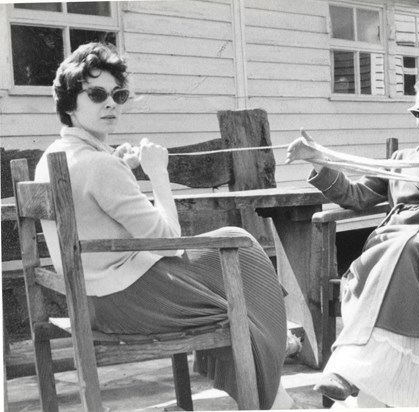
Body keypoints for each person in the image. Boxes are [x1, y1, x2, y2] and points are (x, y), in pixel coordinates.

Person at [35, 42, 294, 410]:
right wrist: (158, 174)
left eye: (118, 94)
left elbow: (96, 203)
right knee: (242, 253)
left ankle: (268, 384)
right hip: (126, 303)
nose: (110, 103)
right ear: (69, 102)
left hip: (91, 301)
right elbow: (171, 242)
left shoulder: (53, 157)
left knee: (236, 260)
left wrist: (119, 164)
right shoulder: (99, 166)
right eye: (96, 94)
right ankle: (272, 396)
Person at [286, 75, 419, 407]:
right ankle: (375, 380)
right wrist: (318, 161)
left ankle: (350, 368)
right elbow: (355, 196)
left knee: (407, 250)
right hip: (391, 240)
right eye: (416, 114)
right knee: (383, 255)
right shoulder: (402, 158)